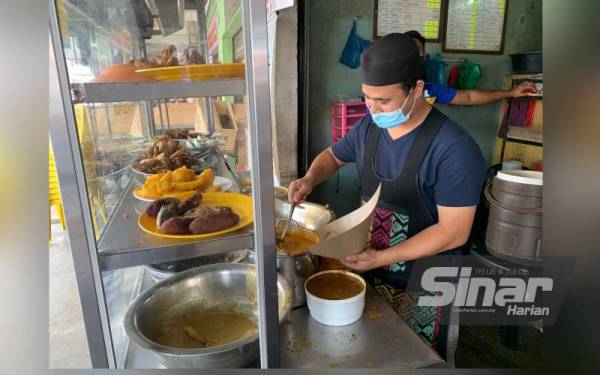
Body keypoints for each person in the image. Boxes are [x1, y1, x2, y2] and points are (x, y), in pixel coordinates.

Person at [288, 33, 486, 357]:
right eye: (367, 97)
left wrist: (382, 257)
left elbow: (454, 232)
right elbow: (333, 157)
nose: (373, 108)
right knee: (372, 352)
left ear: (417, 89)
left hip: (426, 285)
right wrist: (310, 177)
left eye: (384, 101)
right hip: (372, 269)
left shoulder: (454, 148)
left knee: (417, 357)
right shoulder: (368, 128)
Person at [405, 30, 538, 105]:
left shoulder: (429, 90)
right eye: (405, 49)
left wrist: (511, 93)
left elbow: (469, 97)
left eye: (417, 49)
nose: (411, 54)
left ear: (423, 54)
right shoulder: (385, 84)